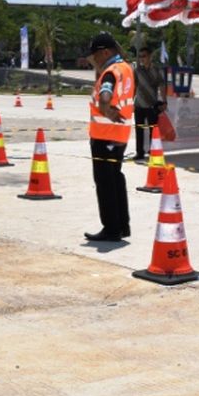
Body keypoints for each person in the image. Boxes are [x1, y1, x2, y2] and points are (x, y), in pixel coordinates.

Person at [84, 32, 135, 242]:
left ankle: (111, 228)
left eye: (96, 56)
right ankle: (122, 225)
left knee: (105, 182)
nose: (95, 61)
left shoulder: (110, 73)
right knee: (116, 179)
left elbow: (105, 96)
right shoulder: (127, 69)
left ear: (105, 52)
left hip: (104, 136)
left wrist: (106, 109)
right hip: (120, 135)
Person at [132, 45, 167, 161]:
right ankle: (139, 152)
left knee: (153, 130)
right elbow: (134, 86)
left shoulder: (156, 70)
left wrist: (164, 100)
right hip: (139, 105)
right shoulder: (137, 70)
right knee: (139, 130)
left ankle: (153, 151)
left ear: (150, 57)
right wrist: (131, 101)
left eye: (144, 56)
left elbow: (162, 85)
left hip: (152, 105)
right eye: (140, 56)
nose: (142, 59)